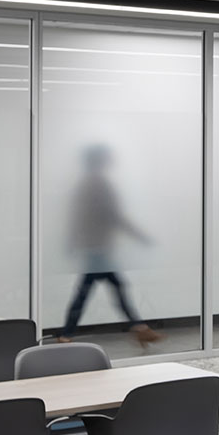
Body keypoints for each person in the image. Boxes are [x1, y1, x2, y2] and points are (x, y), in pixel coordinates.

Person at [59, 144, 162, 347]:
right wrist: (140, 236)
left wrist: (70, 241)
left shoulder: (87, 183)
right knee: (104, 289)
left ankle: (139, 329)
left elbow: (76, 216)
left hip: (93, 245)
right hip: (97, 247)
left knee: (103, 289)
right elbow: (114, 215)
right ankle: (139, 329)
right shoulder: (98, 183)